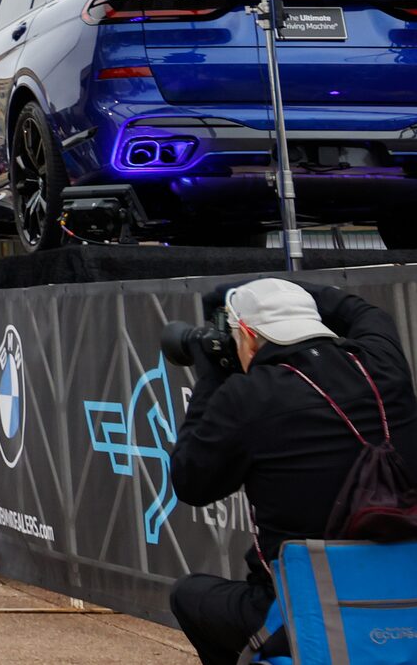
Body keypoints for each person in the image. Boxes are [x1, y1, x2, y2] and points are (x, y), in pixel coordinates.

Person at [169, 278, 417, 665]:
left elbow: (190, 482)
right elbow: (364, 312)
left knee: (189, 595)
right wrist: (293, 288)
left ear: (248, 337)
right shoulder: (384, 363)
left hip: (306, 608)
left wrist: (211, 378)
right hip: (407, 597)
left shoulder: (247, 396)